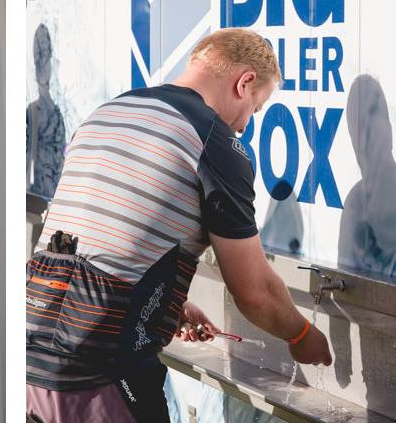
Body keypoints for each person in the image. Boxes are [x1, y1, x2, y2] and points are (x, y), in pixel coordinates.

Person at [26, 29, 333, 423]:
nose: (244, 126)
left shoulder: (107, 112)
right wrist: (302, 335)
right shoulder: (213, 141)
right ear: (244, 83)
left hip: (29, 353)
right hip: (98, 375)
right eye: (254, 110)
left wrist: (163, 304)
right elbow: (255, 292)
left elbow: (92, 242)